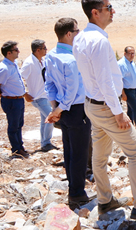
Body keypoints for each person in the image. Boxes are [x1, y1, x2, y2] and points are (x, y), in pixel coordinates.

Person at [73, 0, 136, 223]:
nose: (112, 11)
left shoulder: (80, 38)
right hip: (106, 106)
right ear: (95, 12)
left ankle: (104, 200)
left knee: (100, 155)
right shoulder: (100, 41)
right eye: (108, 7)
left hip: (91, 105)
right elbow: (105, 81)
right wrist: (119, 113)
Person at [44, 18, 91, 210]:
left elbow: (49, 85)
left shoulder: (52, 55)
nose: (79, 34)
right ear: (69, 34)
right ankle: (77, 194)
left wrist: (55, 107)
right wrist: (59, 109)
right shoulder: (71, 59)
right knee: (79, 153)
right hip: (76, 109)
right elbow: (72, 91)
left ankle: (74, 189)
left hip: (63, 110)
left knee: (69, 151)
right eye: (77, 31)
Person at [0, 41, 29, 159]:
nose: (18, 51)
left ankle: (20, 147)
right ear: (9, 53)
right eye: (16, 50)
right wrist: (5, 95)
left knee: (19, 124)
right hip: (11, 101)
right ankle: (16, 149)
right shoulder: (4, 68)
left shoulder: (13, 64)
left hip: (18, 99)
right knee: (13, 126)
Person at [21, 39, 57, 152]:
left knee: (44, 120)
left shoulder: (42, 61)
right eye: (44, 48)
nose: (46, 50)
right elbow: (19, 78)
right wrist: (24, 93)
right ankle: (46, 143)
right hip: (37, 97)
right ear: (38, 50)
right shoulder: (29, 63)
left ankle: (45, 143)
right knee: (52, 118)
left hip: (45, 96)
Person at [118, 46, 136, 129]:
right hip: (127, 90)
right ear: (125, 54)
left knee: (131, 110)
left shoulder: (132, 63)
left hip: (133, 89)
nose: (132, 55)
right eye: (130, 53)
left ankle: (130, 127)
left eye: (133, 53)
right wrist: (123, 93)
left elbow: (134, 76)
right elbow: (119, 80)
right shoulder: (121, 64)